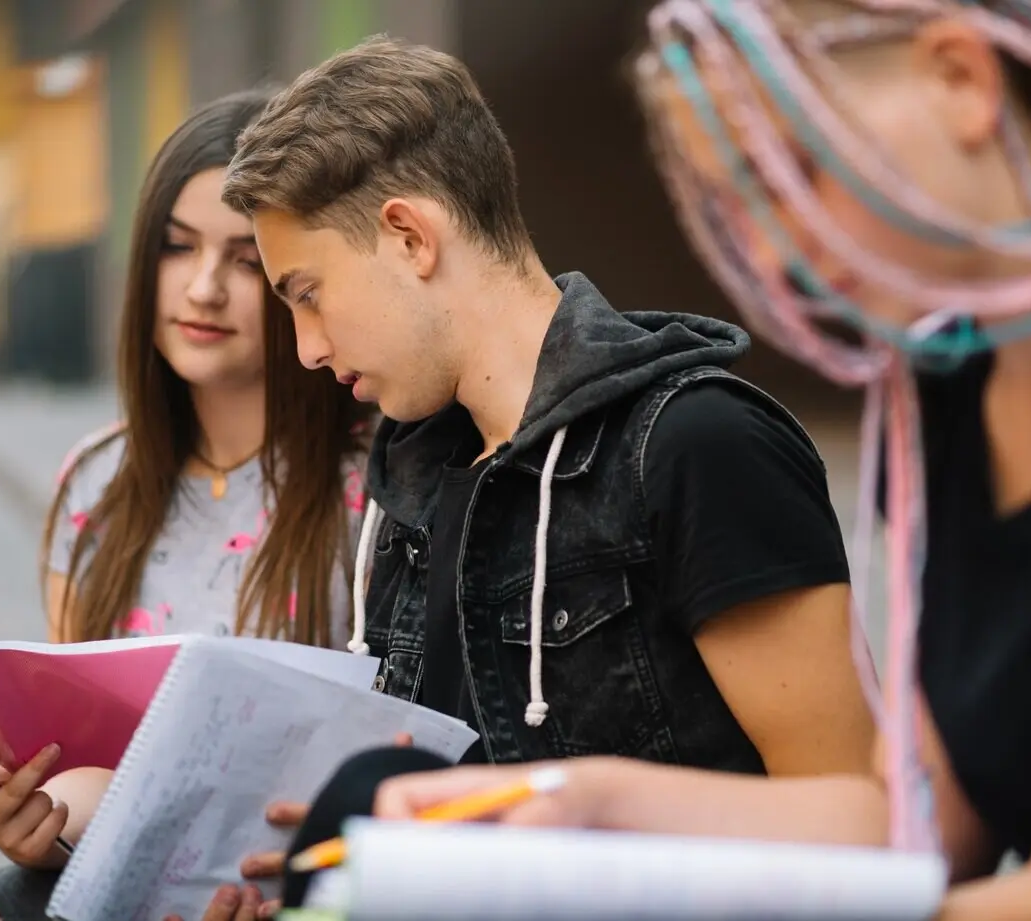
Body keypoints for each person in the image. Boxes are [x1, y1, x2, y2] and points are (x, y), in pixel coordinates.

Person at [369, 2, 1031, 919]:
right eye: (733, 204)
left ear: (961, 78)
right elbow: (919, 828)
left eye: (793, 170)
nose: (771, 247)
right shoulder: (949, 388)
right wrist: (578, 804)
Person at [222, 36, 876, 787]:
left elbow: (851, 808)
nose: (305, 348)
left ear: (409, 238)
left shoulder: (699, 445)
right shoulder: (409, 482)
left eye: (308, 295)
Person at [0, 89, 374, 921]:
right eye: (175, 246)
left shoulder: (370, 488)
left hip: (285, 880)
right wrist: (36, 822)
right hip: (116, 861)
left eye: (243, 258)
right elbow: (79, 764)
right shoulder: (96, 481)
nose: (201, 287)